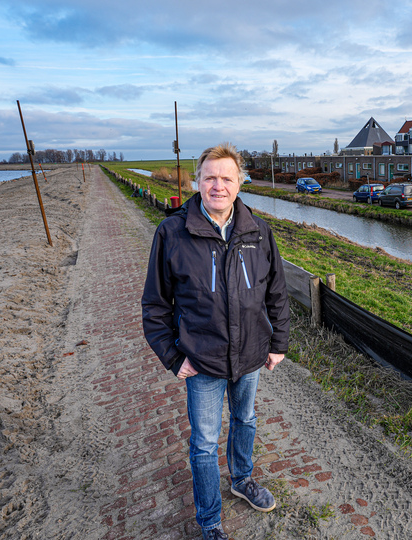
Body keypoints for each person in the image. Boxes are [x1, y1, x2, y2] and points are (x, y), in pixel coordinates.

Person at [142, 143, 290, 540]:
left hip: (250, 356)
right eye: (210, 177)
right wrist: (173, 357)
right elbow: (155, 305)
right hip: (202, 361)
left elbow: (276, 292)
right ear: (197, 181)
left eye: (227, 178)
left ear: (240, 183)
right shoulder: (172, 232)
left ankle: (242, 480)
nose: (218, 186)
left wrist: (278, 344)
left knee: (246, 420)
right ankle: (210, 521)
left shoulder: (259, 231)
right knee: (205, 443)